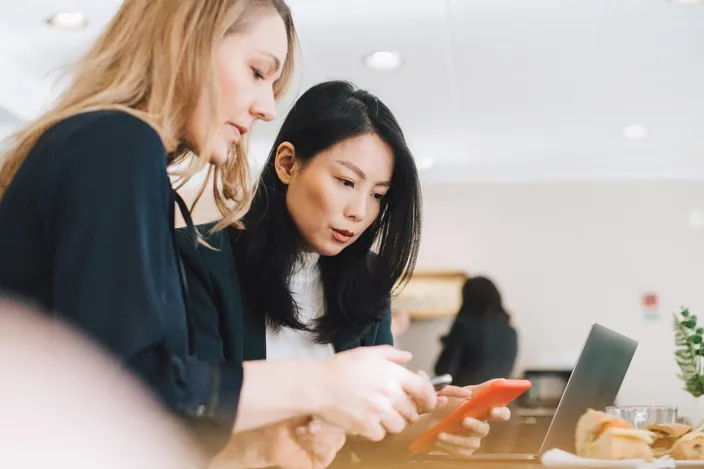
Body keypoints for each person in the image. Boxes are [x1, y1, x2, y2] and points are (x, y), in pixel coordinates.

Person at [0, 0, 436, 462]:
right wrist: (321, 383)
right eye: (256, 71)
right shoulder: (119, 144)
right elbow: (129, 390)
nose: (267, 107)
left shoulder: (115, 150)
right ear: (188, 40)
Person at [176, 80, 511, 462]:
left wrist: (425, 426)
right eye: (346, 181)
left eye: (377, 195)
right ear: (287, 164)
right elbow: (189, 412)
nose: (359, 211)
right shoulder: (199, 256)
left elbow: (365, 442)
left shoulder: (368, 279)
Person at [434, 276, 518, 387]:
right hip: (495, 398)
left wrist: (446, 346)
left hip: (466, 397)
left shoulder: (463, 326)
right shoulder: (511, 332)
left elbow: (442, 370)